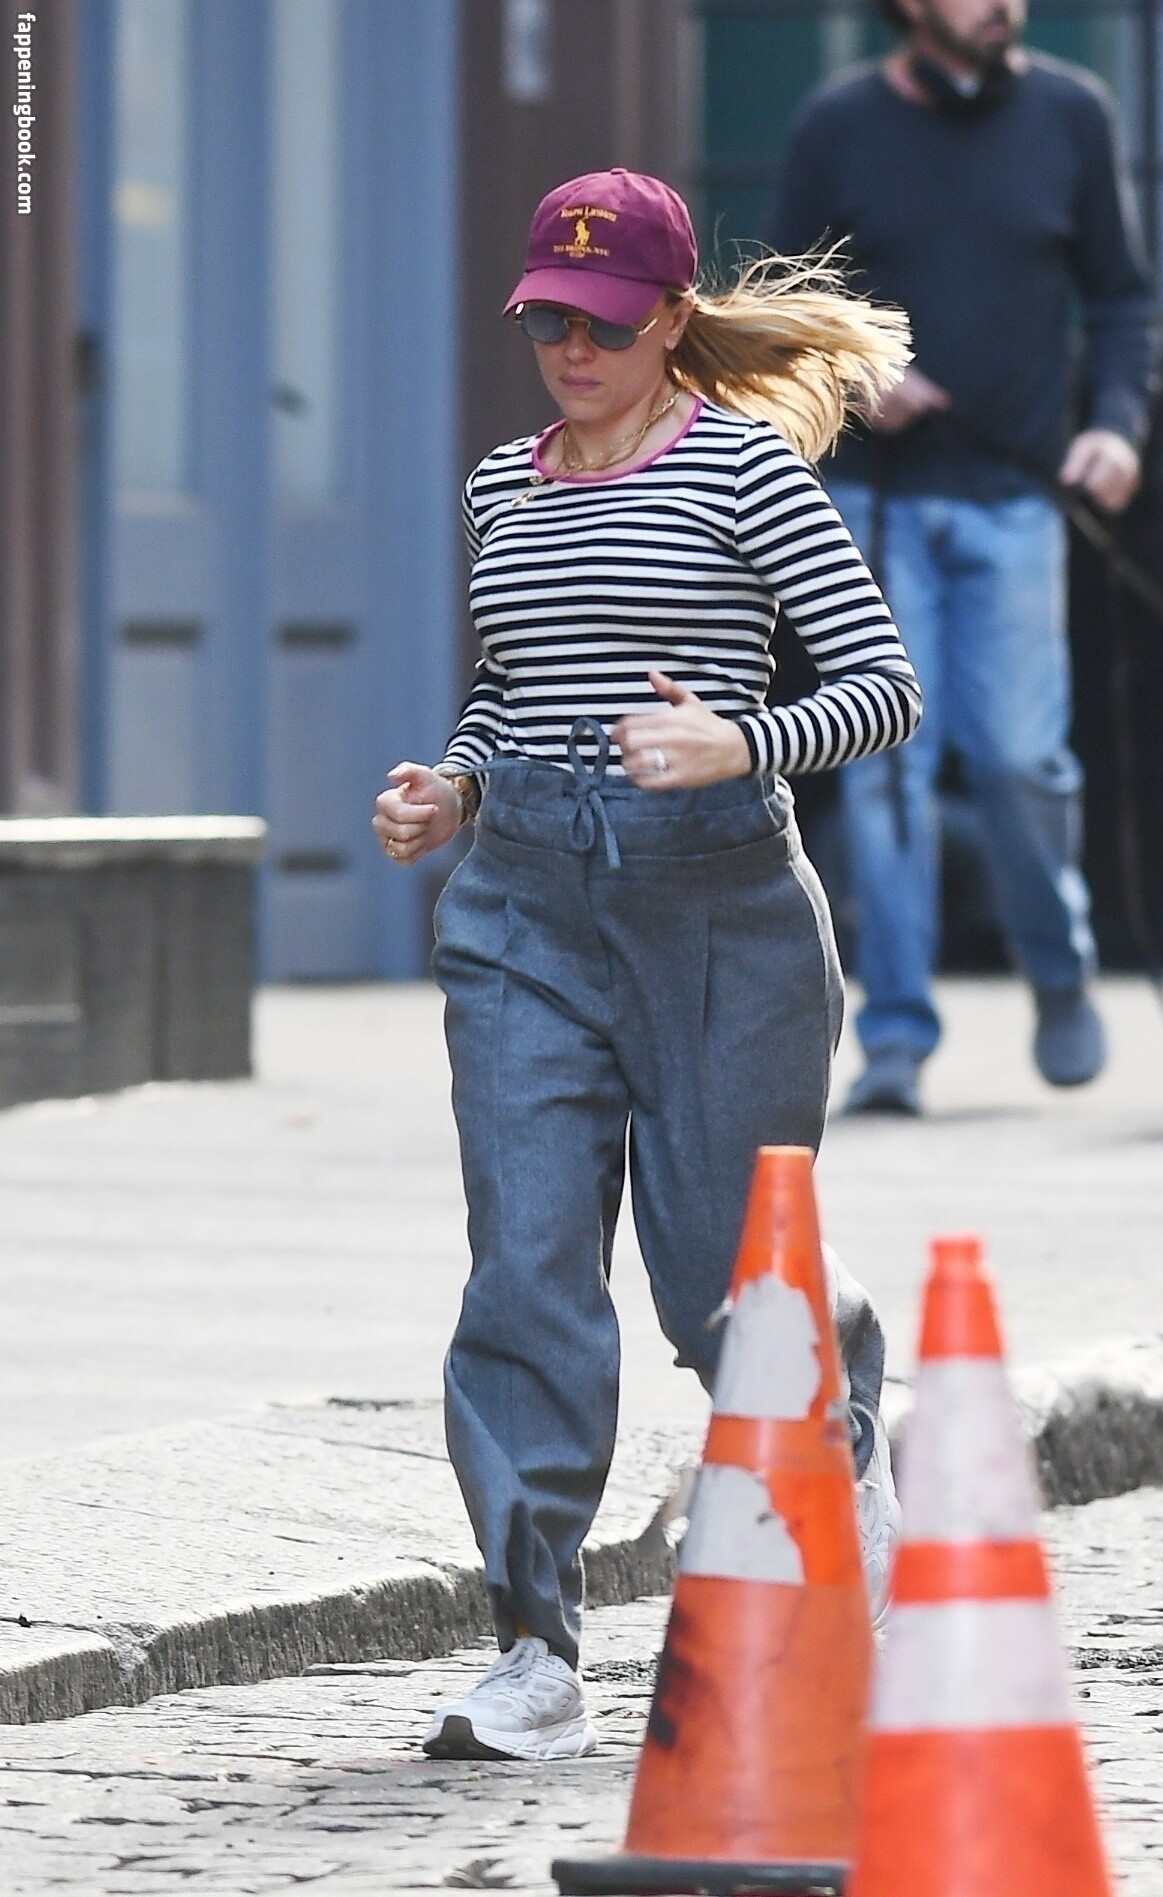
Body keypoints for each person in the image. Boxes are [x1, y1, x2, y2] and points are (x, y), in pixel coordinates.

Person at [372, 168, 921, 1760]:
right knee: (526, 1271)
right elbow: (512, 685)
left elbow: (880, 687)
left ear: (672, 319)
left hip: (719, 916)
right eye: (548, 318)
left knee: (717, 1287)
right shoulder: (501, 484)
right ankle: (533, 1649)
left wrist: (736, 742)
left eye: (606, 324)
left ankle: (841, 1411)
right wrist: (454, 786)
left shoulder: (747, 473)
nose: (572, 349)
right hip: (523, 911)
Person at [770, 0, 1156, 1114]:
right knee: (886, 764)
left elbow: (1121, 302)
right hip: (873, 502)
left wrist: (1115, 427)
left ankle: (1058, 970)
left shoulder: (1071, 114)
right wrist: (855, 375)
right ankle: (894, 1035)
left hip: (1016, 498)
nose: (1001, 6)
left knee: (1018, 760)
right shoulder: (834, 126)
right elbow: (776, 313)